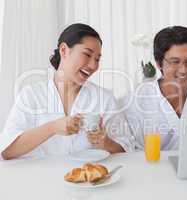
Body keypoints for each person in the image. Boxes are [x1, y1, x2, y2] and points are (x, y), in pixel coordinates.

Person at [0, 23, 134, 160]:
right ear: (64, 50)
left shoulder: (104, 99)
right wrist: (53, 128)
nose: (93, 65)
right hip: (40, 180)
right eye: (87, 54)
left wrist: (105, 143)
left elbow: (127, 149)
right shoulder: (31, 95)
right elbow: (6, 151)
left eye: (97, 59)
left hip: (88, 180)